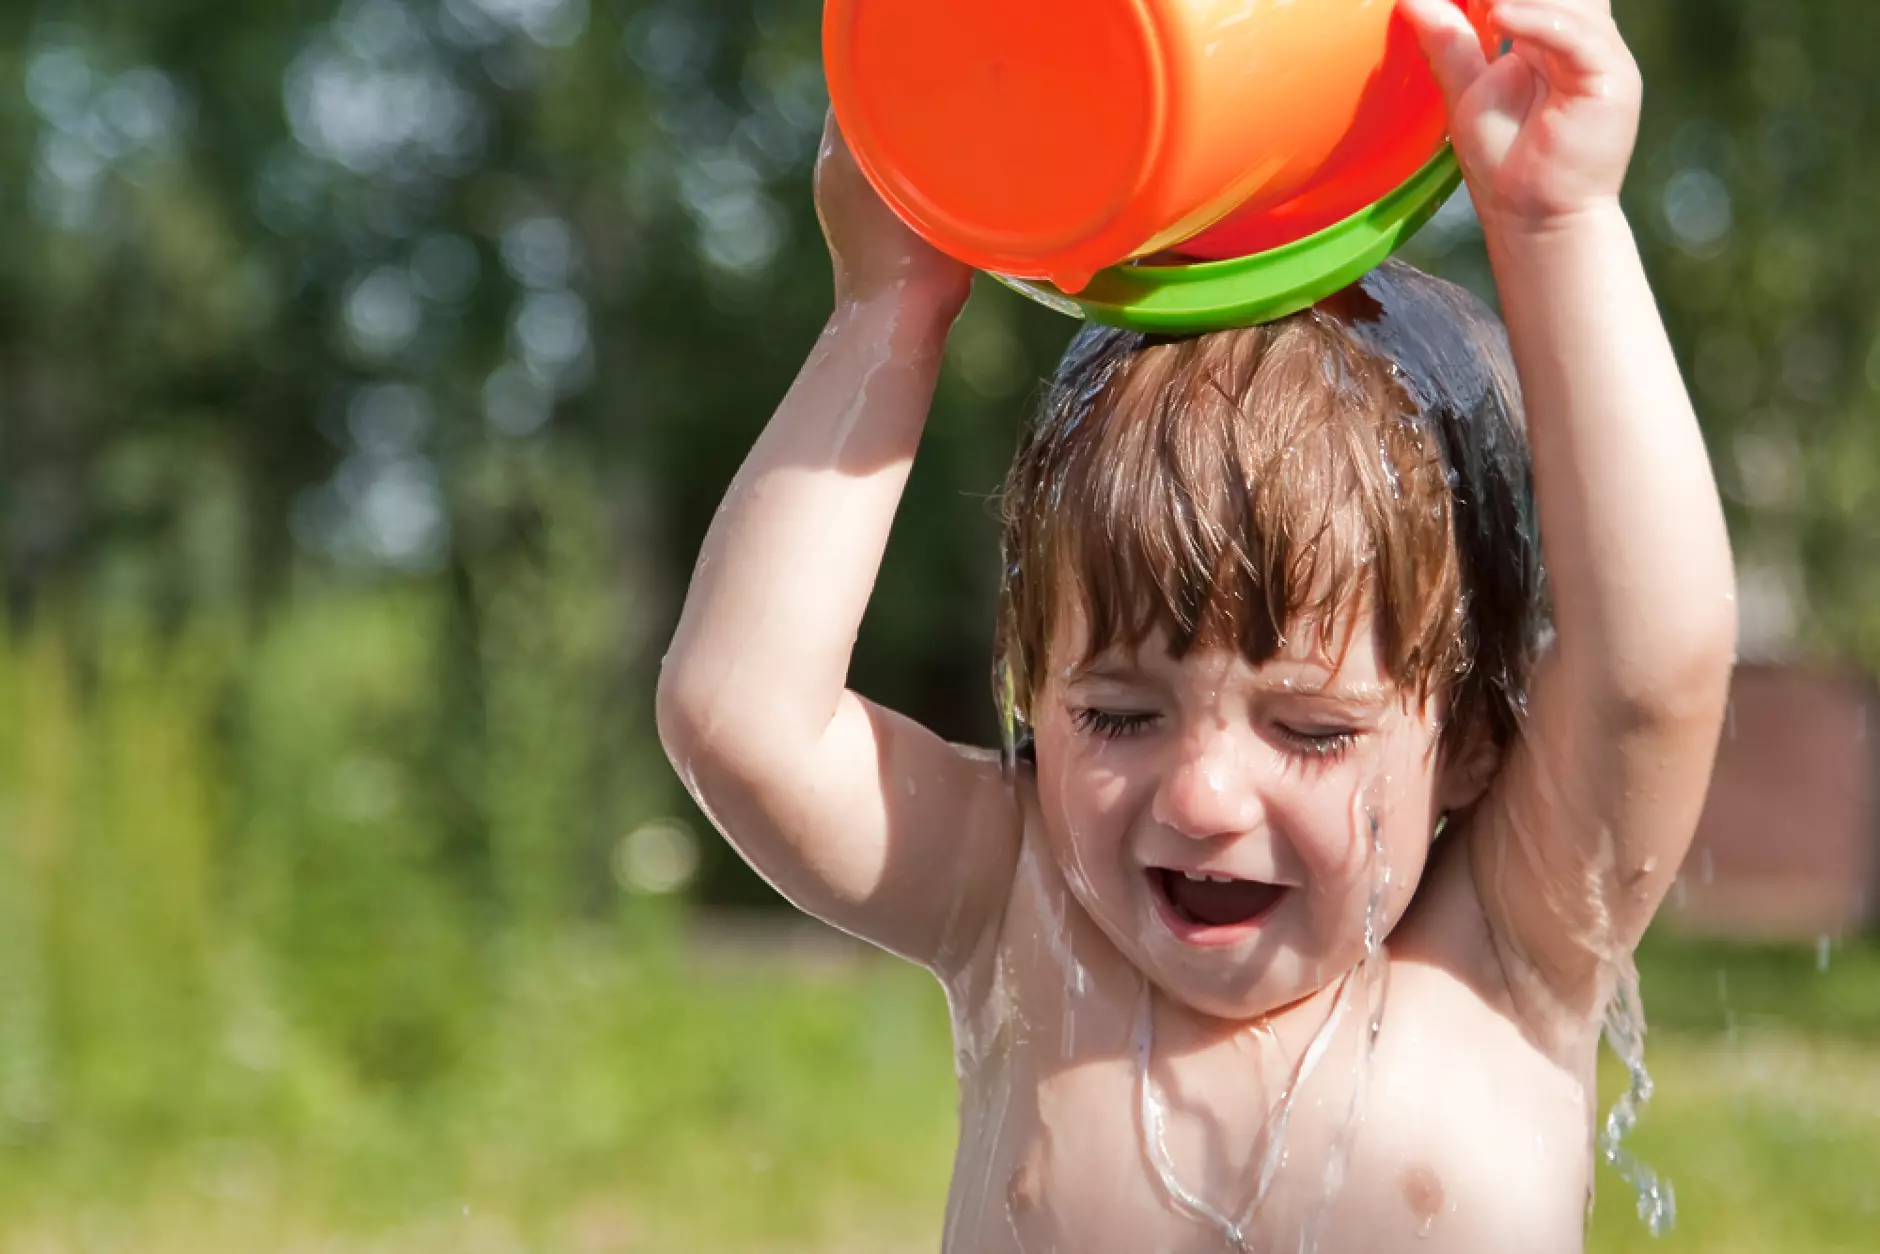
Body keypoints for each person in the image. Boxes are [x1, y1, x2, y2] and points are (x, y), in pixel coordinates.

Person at [656, 0, 1737, 1249]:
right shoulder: (1017, 910)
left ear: (1475, 737)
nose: (1205, 796)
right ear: (1029, 691)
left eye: (1313, 729)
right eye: (1116, 713)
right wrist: (886, 313)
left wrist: (1554, 225)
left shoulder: (1514, 948)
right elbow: (738, 718)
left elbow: (1652, 674)